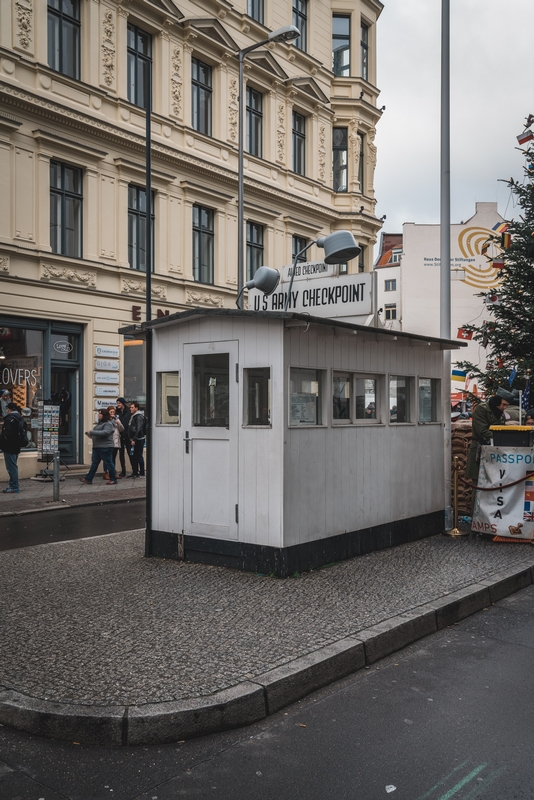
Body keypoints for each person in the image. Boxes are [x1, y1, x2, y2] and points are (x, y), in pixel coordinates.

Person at [465, 388, 514, 510]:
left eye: (506, 406)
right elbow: (482, 431)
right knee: (478, 485)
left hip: (494, 452)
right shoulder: (482, 409)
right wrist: (503, 436)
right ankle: (475, 517)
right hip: (480, 450)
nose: (504, 408)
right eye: (503, 404)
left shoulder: (499, 413)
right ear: (497, 401)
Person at [80, 408, 117, 485]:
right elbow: (98, 433)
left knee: (109, 463)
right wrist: (90, 435)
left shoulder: (108, 424)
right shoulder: (100, 424)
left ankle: (113, 479)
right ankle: (88, 478)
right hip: (97, 447)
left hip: (105, 447)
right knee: (94, 463)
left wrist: (92, 432)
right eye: (98, 414)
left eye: (100, 414)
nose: (98, 416)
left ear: (104, 415)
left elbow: (105, 433)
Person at [0, 402, 24, 493]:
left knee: (11, 467)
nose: (6, 411)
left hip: (9, 446)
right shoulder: (19, 417)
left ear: (9, 409)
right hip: (16, 446)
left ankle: (14, 486)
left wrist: (2, 442)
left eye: (7, 409)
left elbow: (7, 434)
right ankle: (13, 485)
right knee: (13, 466)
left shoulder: (10, 419)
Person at [104, 405, 124, 480]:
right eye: (111, 412)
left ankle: (113, 473)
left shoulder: (117, 419)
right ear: (108, 412)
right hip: (108, 442)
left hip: (115, 442)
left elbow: (122, 429)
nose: (112, 413)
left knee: (113, 458)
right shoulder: (106, 420)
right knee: (107, 458)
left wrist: (118, 423)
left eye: (113, 412)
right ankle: (106, 472)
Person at [128, 401, 145, 478]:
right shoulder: (134, 416)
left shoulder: (139, 416)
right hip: (135, 438)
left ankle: (141, 473)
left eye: (132, 407)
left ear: (136, 408)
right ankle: (135, 472)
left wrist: (134, 439)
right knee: (135, 456)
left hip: (139, 439)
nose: (130, 409)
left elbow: (139, 428)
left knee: (138, 456)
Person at [115, 398, 132, 478]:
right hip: (120, 436)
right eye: (117, 403)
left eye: (119, 403)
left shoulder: (128, 411)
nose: (118, 404)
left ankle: (134, 470)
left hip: (127, 435)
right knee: (121, 454)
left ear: (123, 404)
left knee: (130, 453)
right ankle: (123, 471)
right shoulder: (116, 412)